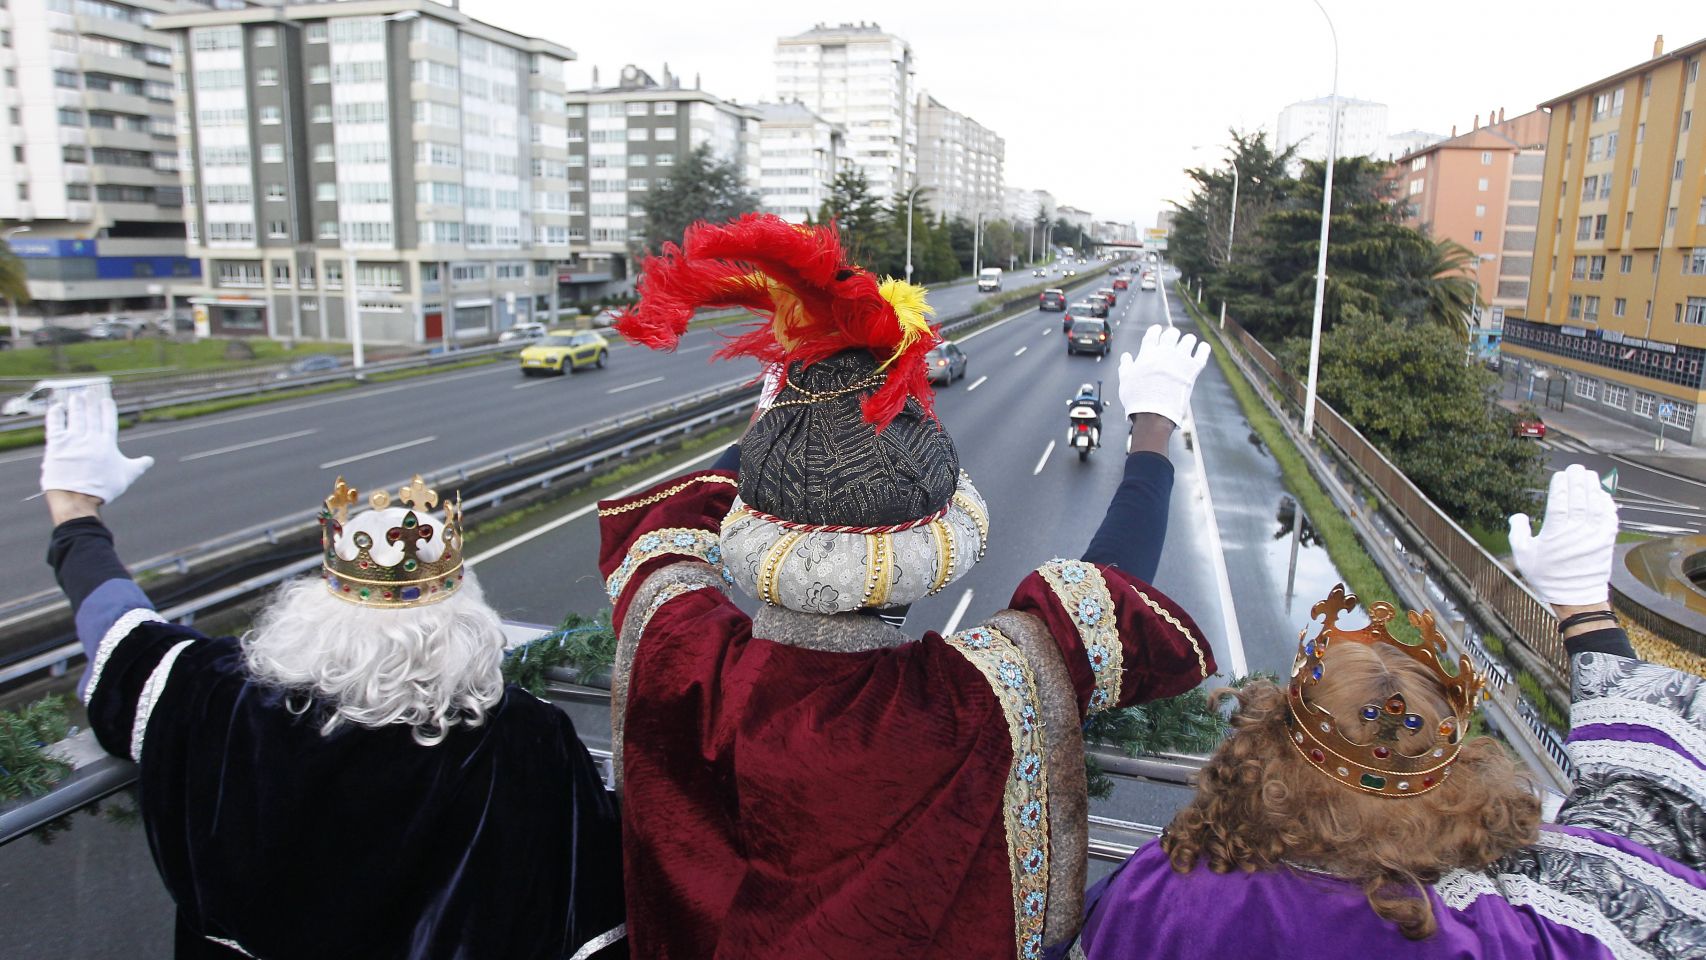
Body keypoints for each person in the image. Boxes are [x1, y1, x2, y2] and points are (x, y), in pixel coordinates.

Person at [598, 213, 1217, 959]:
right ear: (925, 554)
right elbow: (1105, 595)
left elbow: (662, 534)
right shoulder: (974, 697)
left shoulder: (684, 655)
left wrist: (797, 412)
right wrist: (1153, 427)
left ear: (760, 531)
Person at [38, 391, 626, 960]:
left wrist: (74, 511)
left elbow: (117, 626)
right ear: (465, 620)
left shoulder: (214, 698)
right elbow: (590, 885)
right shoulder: (526, 737)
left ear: (316, 608)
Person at [1074, 464, 1706, 958]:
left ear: (1265, 749)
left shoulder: (1168, 889)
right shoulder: (1492, 933)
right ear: (1449, 783)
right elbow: (1653, 820)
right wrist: (1584, 609)